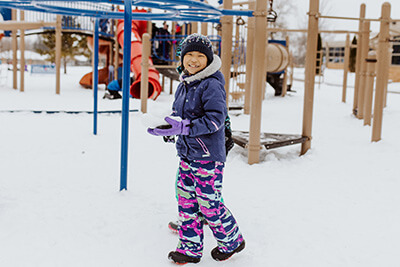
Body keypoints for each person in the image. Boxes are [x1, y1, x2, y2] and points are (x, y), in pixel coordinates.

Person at [147, 33, 245, 264]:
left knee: (209, 204)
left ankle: (232, 240)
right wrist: (169, 130)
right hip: (187, 155)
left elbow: (215, 120)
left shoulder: (211, 85)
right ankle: (189, 248)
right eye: (189, 55)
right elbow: (179, 117)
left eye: (200, 56)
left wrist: (184, 127)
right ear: (181, 59)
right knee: (186, 202)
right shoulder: (184, 85)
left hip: (208, 157)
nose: (194, 60)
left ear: (208, 60)